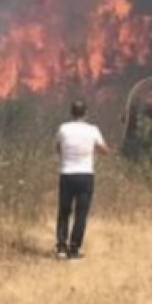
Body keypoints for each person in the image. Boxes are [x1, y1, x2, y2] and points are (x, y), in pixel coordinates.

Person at [55, 100, 109, 260]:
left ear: (71, 112)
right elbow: (103, 150)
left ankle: (61, 247)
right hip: (85, 176)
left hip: (66, 175)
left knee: (64, 211)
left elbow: (58, 149)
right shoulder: (93, 130)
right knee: (81, 213)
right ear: (86, 113)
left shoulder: (63, 128)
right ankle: (74, 248)